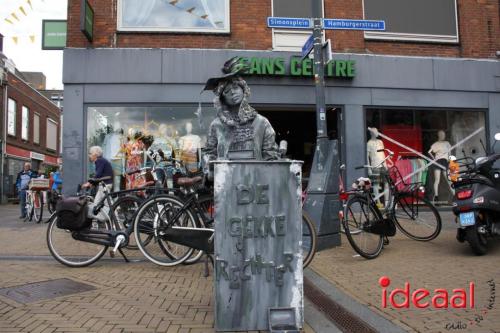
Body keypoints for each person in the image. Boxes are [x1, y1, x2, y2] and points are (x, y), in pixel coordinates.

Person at [204, 57, 279, 163]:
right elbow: (209, 154)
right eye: (227, 91)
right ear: (222, 98)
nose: (232, 93)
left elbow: (270, 156)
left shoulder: (261, 122)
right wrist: (211, 170)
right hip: (226, 178)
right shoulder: (216, 125)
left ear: (244, 90)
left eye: (235, 88)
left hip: (255, 177)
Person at [428, 130, 452, 202]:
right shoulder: (436, 144)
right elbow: (429, 152)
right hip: (439, 161)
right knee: (438, 180)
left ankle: (454, 194)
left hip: (444, 161)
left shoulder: (447, 143)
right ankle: (436, 196)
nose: (443, 136)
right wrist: (434, 159)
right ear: (439, 135)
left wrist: (449, 161)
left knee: (448, 179)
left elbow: (450, 153)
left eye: (443, 134)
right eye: (441, 134)